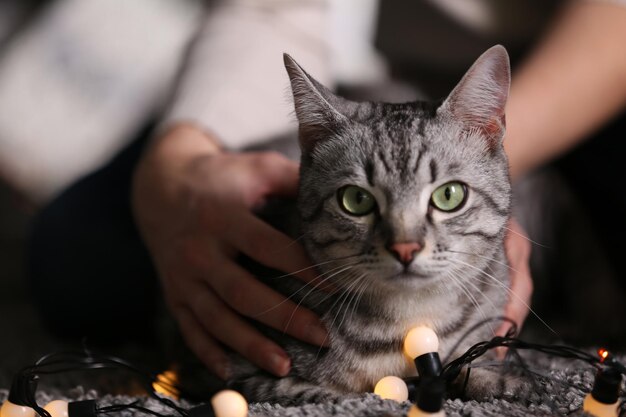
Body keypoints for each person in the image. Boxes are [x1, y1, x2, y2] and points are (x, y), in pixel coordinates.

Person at [29, 0, 626, 380]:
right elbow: (270, 10)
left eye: (440, 206)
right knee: (80, 257)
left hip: (583, 81)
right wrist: (178, 163)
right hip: (377, 89)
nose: (405, 245)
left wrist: (483, 155)